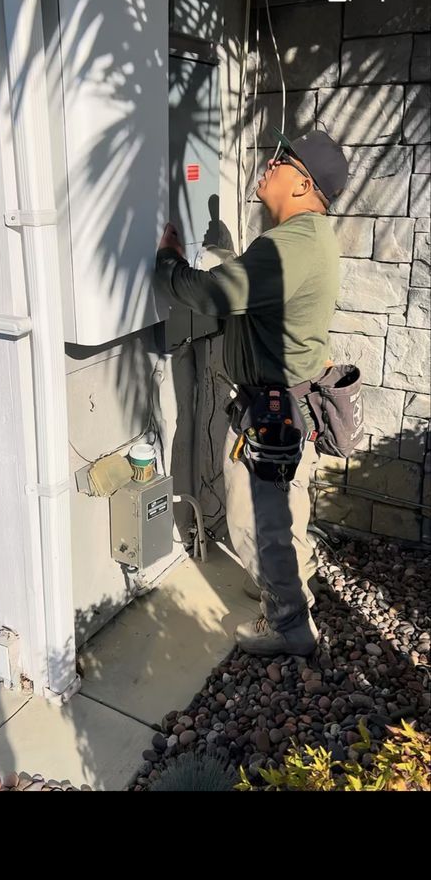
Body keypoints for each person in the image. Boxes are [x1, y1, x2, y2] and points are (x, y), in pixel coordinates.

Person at [156, 129, 349, 656]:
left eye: (281, 159)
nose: (269, 165)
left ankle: (290, 625)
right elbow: (256, 292)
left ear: (304, 182)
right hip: (289, 408)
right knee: (287, 511)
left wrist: (170, 262)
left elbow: (214, 295)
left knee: (254, 521)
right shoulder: (309, 239)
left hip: (271, 414)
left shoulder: (289, 245)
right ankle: (285, 582)